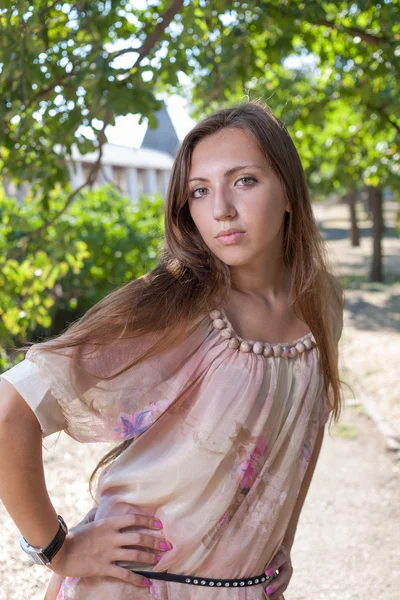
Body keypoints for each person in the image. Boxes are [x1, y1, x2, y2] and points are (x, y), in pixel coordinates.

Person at [0, 100, 345, 600]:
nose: (221, 209)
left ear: (290, 192)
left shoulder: (323, 301)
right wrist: (57, 547)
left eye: (244, 181)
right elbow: (11, 407)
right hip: (137, 586)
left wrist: (280, 541)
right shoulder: (175, 308)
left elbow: (304, 433)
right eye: (200, 192)